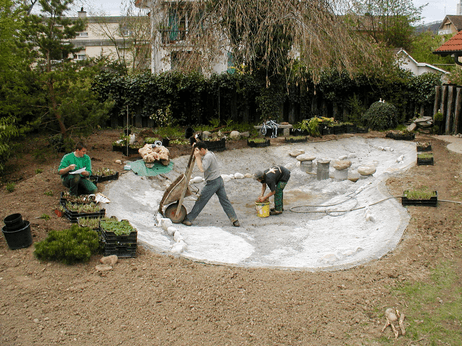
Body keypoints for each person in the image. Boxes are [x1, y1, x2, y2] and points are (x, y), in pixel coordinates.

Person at [182, 141, 240, 227]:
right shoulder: (210, 153)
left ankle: (189, 219)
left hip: (212, 183)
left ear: (202, 149)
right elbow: (202, 156)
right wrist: (196, 146)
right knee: (225, 201)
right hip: (219, 180)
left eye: (198, 150)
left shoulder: (208, 157)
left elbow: (202, 169)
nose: (197, 152)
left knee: (201, 200)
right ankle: (235, 220)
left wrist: (197, 157)